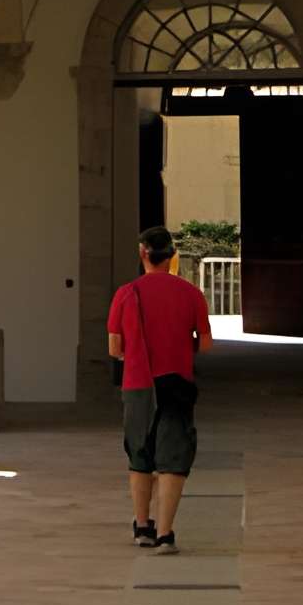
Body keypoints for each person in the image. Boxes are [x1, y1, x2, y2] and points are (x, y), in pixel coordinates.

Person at [107, 226, 211, 552]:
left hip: (138, 383)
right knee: (173, 457)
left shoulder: (126, 294)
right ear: (172, 255)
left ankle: (142, 527)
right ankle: (166, 533)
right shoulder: (191, 293)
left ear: (143, 253)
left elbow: (114, 349)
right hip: (176, 383)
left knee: (140, 455)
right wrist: (182, 346)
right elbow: (205, 344)